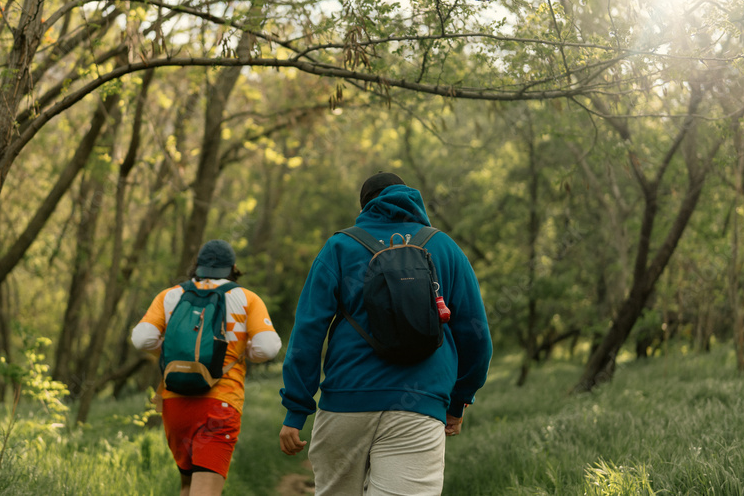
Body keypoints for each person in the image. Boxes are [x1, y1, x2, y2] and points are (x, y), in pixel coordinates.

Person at [278, 172, 493, 496]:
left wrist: (297, 409)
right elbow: (477, 336)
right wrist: (458, 402)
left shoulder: (340, 246)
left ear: (366, 207)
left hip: (345, 403)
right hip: (419, 408)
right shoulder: (444, 247)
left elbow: (308, 331)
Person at [132, 239, 282, 496]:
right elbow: (268, 347)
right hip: (220, 405)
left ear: (197, 266)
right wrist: (244, 352)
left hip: (174, 403)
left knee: (188, 486)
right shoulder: (246, 299)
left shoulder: (171, 295)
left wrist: (167, 349)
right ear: (233, 268)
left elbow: (140, 338)